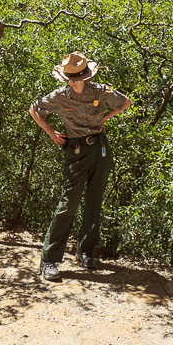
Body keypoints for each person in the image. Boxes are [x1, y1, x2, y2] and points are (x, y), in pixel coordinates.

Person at [29, 52, 130, 281]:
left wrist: (106, 117)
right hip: (75, 151)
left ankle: (85, 252)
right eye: (69, 79)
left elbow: (125, 102)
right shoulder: (60, 96)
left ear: (86, 76)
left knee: (94, 201)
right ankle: (49, 260)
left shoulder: (100, 91)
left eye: (77, 78)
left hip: (99, 149)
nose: (73, 83)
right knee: (68, 203)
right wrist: (50, 131)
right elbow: (34, 109)